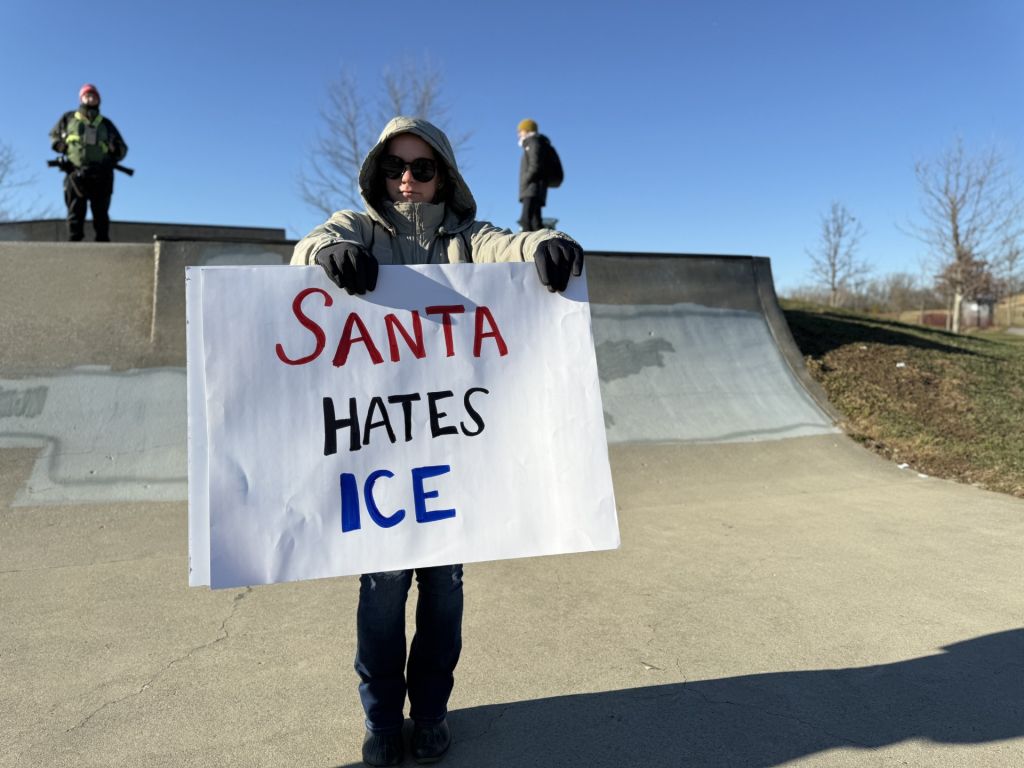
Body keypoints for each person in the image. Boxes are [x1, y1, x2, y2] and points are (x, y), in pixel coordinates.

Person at [292, 115, 584, 766]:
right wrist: (325, 259)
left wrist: (545, 247)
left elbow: (506, 246)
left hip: (452, 461)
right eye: (395, 168)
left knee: (444, 595)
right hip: (383, 463)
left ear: (443, 176)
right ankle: (381, 723)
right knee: (382, 592)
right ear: (378, 175)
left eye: (423, 169)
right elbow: (314, 243)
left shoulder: (465, 237)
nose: (408, 180)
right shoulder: (364, 229)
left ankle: (430, 715)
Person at [49, 83, 128, 242]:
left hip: (101, 174)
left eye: (93, 96)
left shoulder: (106, 124)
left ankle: (102, 242)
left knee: (101, 212)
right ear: (81, 98)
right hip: (75, 172)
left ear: (98, 100)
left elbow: (122, 148)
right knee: (75, 210)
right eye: (87, 95)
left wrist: (114, 151)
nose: (90, 98)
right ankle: (74, 243)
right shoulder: (69, 118)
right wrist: (59, 146)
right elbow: (54, 136)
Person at [517, 118, 553, 232]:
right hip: (533, 188)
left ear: (527, 130)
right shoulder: (534, 142)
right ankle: (541, 246)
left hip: (532, 188)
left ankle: (527, 248)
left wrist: (525, 180)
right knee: (535, 222)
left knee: (526, 221)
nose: (518, 134)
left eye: (520, 131)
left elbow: (535, 165)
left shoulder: (533, 142)